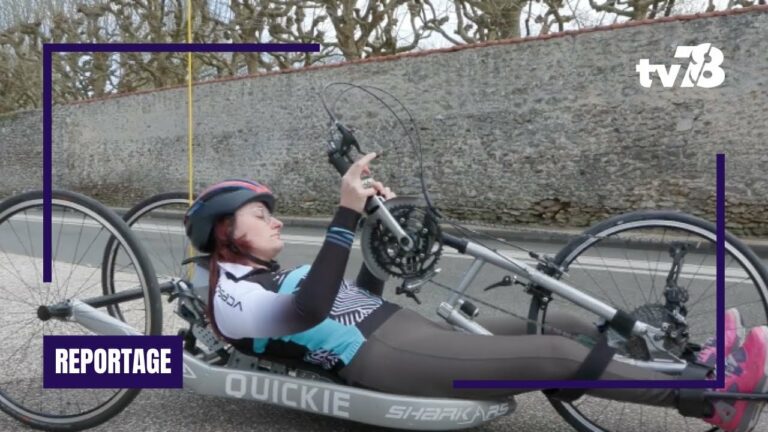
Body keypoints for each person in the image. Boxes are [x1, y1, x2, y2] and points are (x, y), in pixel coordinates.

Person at [183, 153, 768, 432]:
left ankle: (695, 360)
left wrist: (374, 236)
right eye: (261, 216)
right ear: (224, 233)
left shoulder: (261, 275)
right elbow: (311, 309)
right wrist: (342, 213)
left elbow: (351, 295)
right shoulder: (233, 299)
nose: (276, 222)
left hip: (403, 332)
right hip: (387, 361)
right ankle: (709, 396)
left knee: (562, 324)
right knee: (555, 358)